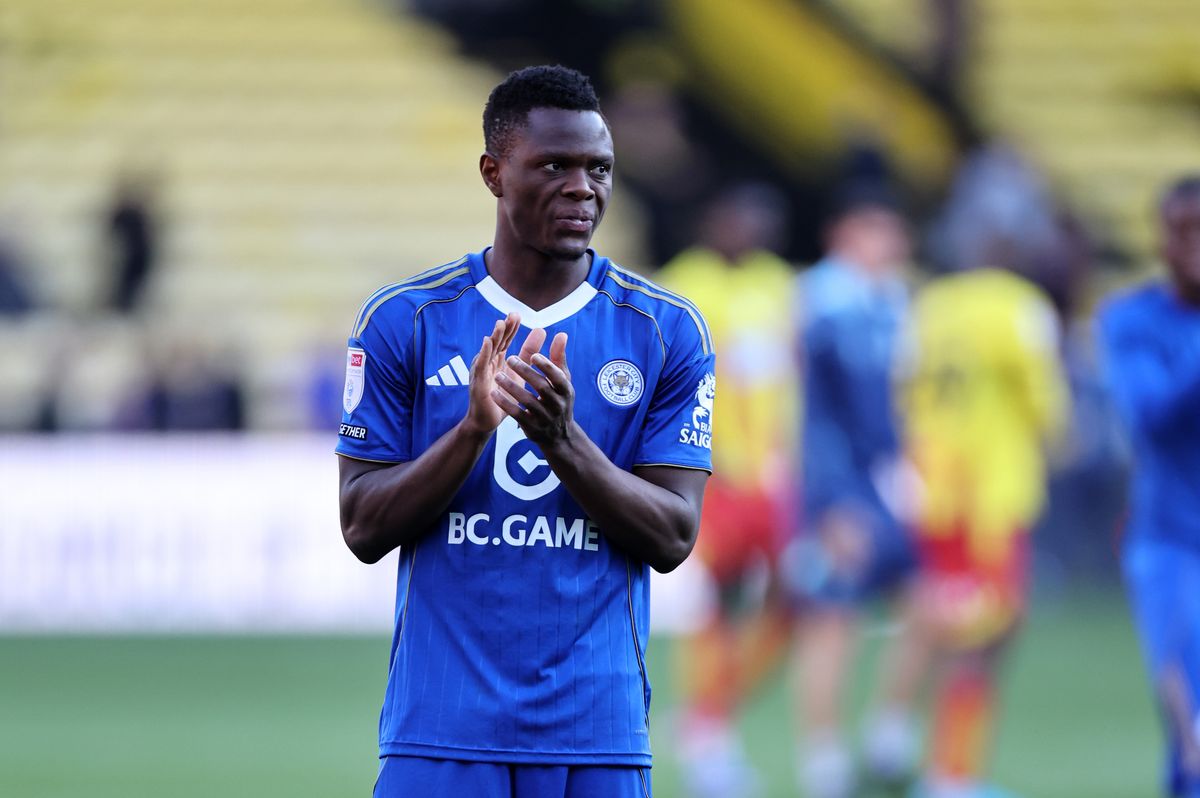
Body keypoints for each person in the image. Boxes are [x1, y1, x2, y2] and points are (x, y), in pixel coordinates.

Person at [335, 65, 714, 798]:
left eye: (598, 168)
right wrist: (472, 431)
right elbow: (362, 527)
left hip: (596, 738)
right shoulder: (404, 321)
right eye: (554, 167)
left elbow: (673, 537)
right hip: (441, 731)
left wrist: (563, 442)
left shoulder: (665, 331)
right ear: (493, 174)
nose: (583, 188)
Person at [899, 243, 1069, 798]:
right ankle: (951, 774)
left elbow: (903, 391)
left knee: (958, 624)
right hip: (992, 499)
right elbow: (1046, 401)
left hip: (938, 492)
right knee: (987, 632)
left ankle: (939, 762)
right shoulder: (1021, 307)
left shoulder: (930, 305)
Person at [655, 183, 796, 798]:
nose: (752, 231)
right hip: (717, 475)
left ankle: (707, 712)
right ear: (716, 221)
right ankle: (710, 731)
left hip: (779, 476)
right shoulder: (684, 285)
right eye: (742, 219)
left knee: (795, 602)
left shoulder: (779, 285)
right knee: (718, 602)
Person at [789, 186, 921, 798]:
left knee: (931, 603)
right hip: (838, 485)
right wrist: (830, 500)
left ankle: (889, 731)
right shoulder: (824, 303)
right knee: (831, 616)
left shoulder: (892, 301)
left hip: (890, 480)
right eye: (877, 229)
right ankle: (823, 758)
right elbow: (815, 413)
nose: (890, 244)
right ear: (844, 234)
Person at [1097, 175, 1200, 798]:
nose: (1193, 247)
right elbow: (1151, 419)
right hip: (1172, 545)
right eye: (1181, 232)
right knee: (1190, 708)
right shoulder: (1131, 320)